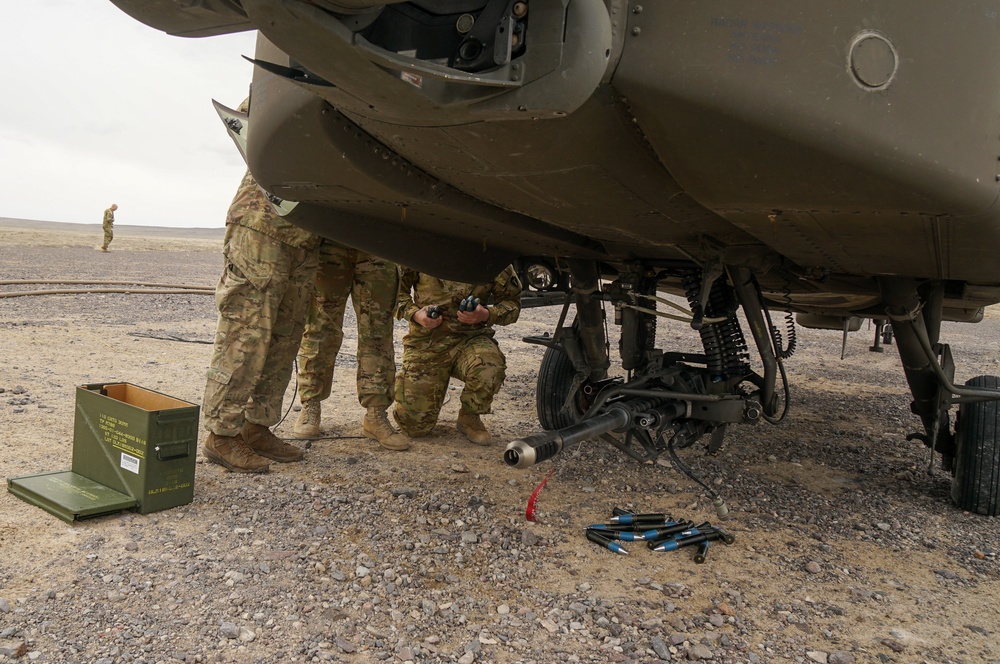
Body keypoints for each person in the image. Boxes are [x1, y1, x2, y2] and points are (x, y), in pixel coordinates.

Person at [201, 168, 322, 473]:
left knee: (285, 339)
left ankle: (256, 427)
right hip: (262, 224)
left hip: (306, 235)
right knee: (246, 334)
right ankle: (222, 434)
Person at [292, 240, 408, 450]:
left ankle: (375, 414)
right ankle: (310, 405)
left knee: (377, 330)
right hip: (330, 239)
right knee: (320, 327)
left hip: (378, 242)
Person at [393, 265, 522, 444]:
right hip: (428, 342)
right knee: (414, 428)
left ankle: (469, 417)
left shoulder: (491, 256)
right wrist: (416, 315)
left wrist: (486, 314)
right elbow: (393, 293)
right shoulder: (421, 248)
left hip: (471, 339)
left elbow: (513, 304)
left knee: (489, 366)